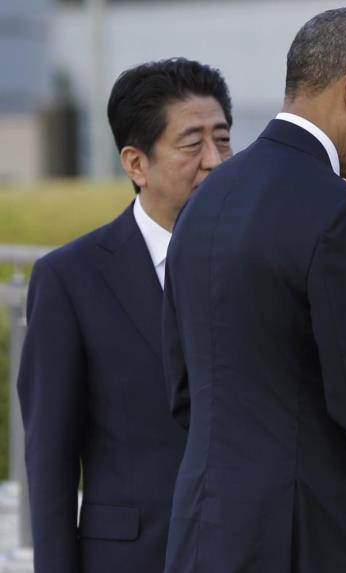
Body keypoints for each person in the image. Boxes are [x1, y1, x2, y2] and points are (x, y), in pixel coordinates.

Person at [161, 8, 346, 573]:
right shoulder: (344, 216)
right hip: (308, 540)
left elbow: (184, 387)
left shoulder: (203, 202)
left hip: (203, 530)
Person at [17, 58, 233, 573]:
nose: (216, 161)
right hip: (132, 556)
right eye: (192, 143)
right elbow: (50, 462)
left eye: (223, 140)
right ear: (136, 164)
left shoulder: (260, 263)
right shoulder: (71, 279)